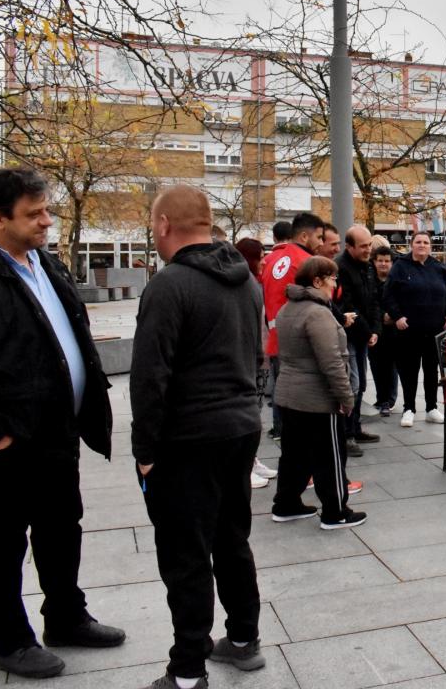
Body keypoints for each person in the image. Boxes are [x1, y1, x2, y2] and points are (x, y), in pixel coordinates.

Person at [0, 168, 122, 680]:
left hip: (56, 432)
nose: (47, 221)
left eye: (47, 210)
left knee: (61, 529)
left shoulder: (45, 261)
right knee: (1, 542)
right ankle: (10, 640)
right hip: (4, 443)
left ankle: (66, 617)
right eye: (34, 214)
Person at [131, 185, 266, 689]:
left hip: (188, 439)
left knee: (185, 554)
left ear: (164, 224)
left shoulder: (169, 285)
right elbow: (257, 358)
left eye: (153, 224)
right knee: (232, 539)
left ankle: (187, 671)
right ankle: (244, 639)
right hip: (239, 428)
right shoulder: (246, 281)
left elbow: (149, 378)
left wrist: (145, 450)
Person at [269, 257, 366, 530]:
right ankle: (336, 512)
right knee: (329, 456)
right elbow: (331, 361)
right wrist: (346, 397)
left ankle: (286, 504)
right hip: (318, 398)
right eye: (332, 278)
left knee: (294, 455)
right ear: (317, 280)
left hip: (289, 394)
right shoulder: (318, 313)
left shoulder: (287, 309)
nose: (335, 284)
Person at [261, 212, 325, 439]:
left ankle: (280, 431)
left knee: (282, 393)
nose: (322, 243)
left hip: (276, 337)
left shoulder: (273, 260)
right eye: (319, 237)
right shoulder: (307, 262)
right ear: (305, 236)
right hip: (299, 341)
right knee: (300, 405)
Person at [384, 232, 446, 427]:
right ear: (412, 245)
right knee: (409, 371)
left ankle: (431, 408)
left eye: (425, 242)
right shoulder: (400, 266)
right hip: (409, 330)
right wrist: (397, 316)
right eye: (418, 242)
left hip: (434, 330)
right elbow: (388, 295)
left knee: (431, 370)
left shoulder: (439, 267)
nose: (422, 245)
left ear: (430, 246)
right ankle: (409, 409)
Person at [233, 237, 278, 489]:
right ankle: (243, 465)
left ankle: (251, 459)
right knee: (248, 414)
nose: (264, 262)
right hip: (251, 359)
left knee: (256, 412)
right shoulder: (242, 285)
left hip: (260, 356)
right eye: (260, 257)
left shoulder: (254, 283)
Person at [335, 225, 382, 449]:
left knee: (361, 383)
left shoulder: (368, 266)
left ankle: (355, 428)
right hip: (349, 335)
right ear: (349, 247)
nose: (368, 250)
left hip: (363, 334)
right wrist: (368, 331)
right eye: (363, 246)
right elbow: (348, 305)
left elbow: (374, 300)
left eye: (369, 245)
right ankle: (346, 434)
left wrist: (375, 330)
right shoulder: (341, 268)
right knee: (352, 385)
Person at [368, 245, 400, 416]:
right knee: (376, 366)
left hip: (393, 331)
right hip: (374, 330)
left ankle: (389, 399)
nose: (383, 264)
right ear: (374, 262)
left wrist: (393, 315)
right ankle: (381, 398)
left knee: (390, 366)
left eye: (387, 261)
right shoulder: (369, 280)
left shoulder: (396, 281)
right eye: (380, 260)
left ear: (392, 263)